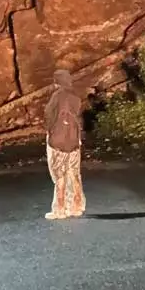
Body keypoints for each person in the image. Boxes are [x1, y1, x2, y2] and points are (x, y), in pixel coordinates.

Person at [43, 68, 86, 219]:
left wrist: (49, 130)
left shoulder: (57, 96)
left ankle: (60, 209)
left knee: (59, 174)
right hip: (74, 139)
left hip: (58, 140)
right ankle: (77, 205)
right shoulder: (76, 96)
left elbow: (48, 113)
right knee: (74, 173)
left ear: (57, 82)